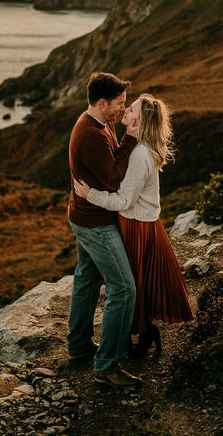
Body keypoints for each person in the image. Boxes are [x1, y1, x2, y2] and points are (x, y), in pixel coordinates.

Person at [73, 93, 193, 357]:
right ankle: (139, 334)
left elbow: (125, 200)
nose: (125, 109)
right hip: (141, 224)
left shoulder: (140, 154)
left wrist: (89, 195)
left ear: (138, 120)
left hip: (136, 225)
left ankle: (130, 339)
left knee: (130, 286)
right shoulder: (139, 145)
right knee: (137, 283)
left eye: (132, 108)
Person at [67, 71, 142, 388]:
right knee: (124, 290)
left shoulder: (100, 122)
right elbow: (113, 178)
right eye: (120, 104)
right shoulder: (93, 135)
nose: (124, 110)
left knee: (86, 279)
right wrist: (132, 140)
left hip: (85, 216)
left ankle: (79, 345)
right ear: (101, 102)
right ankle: (107, 367)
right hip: (95, 223)